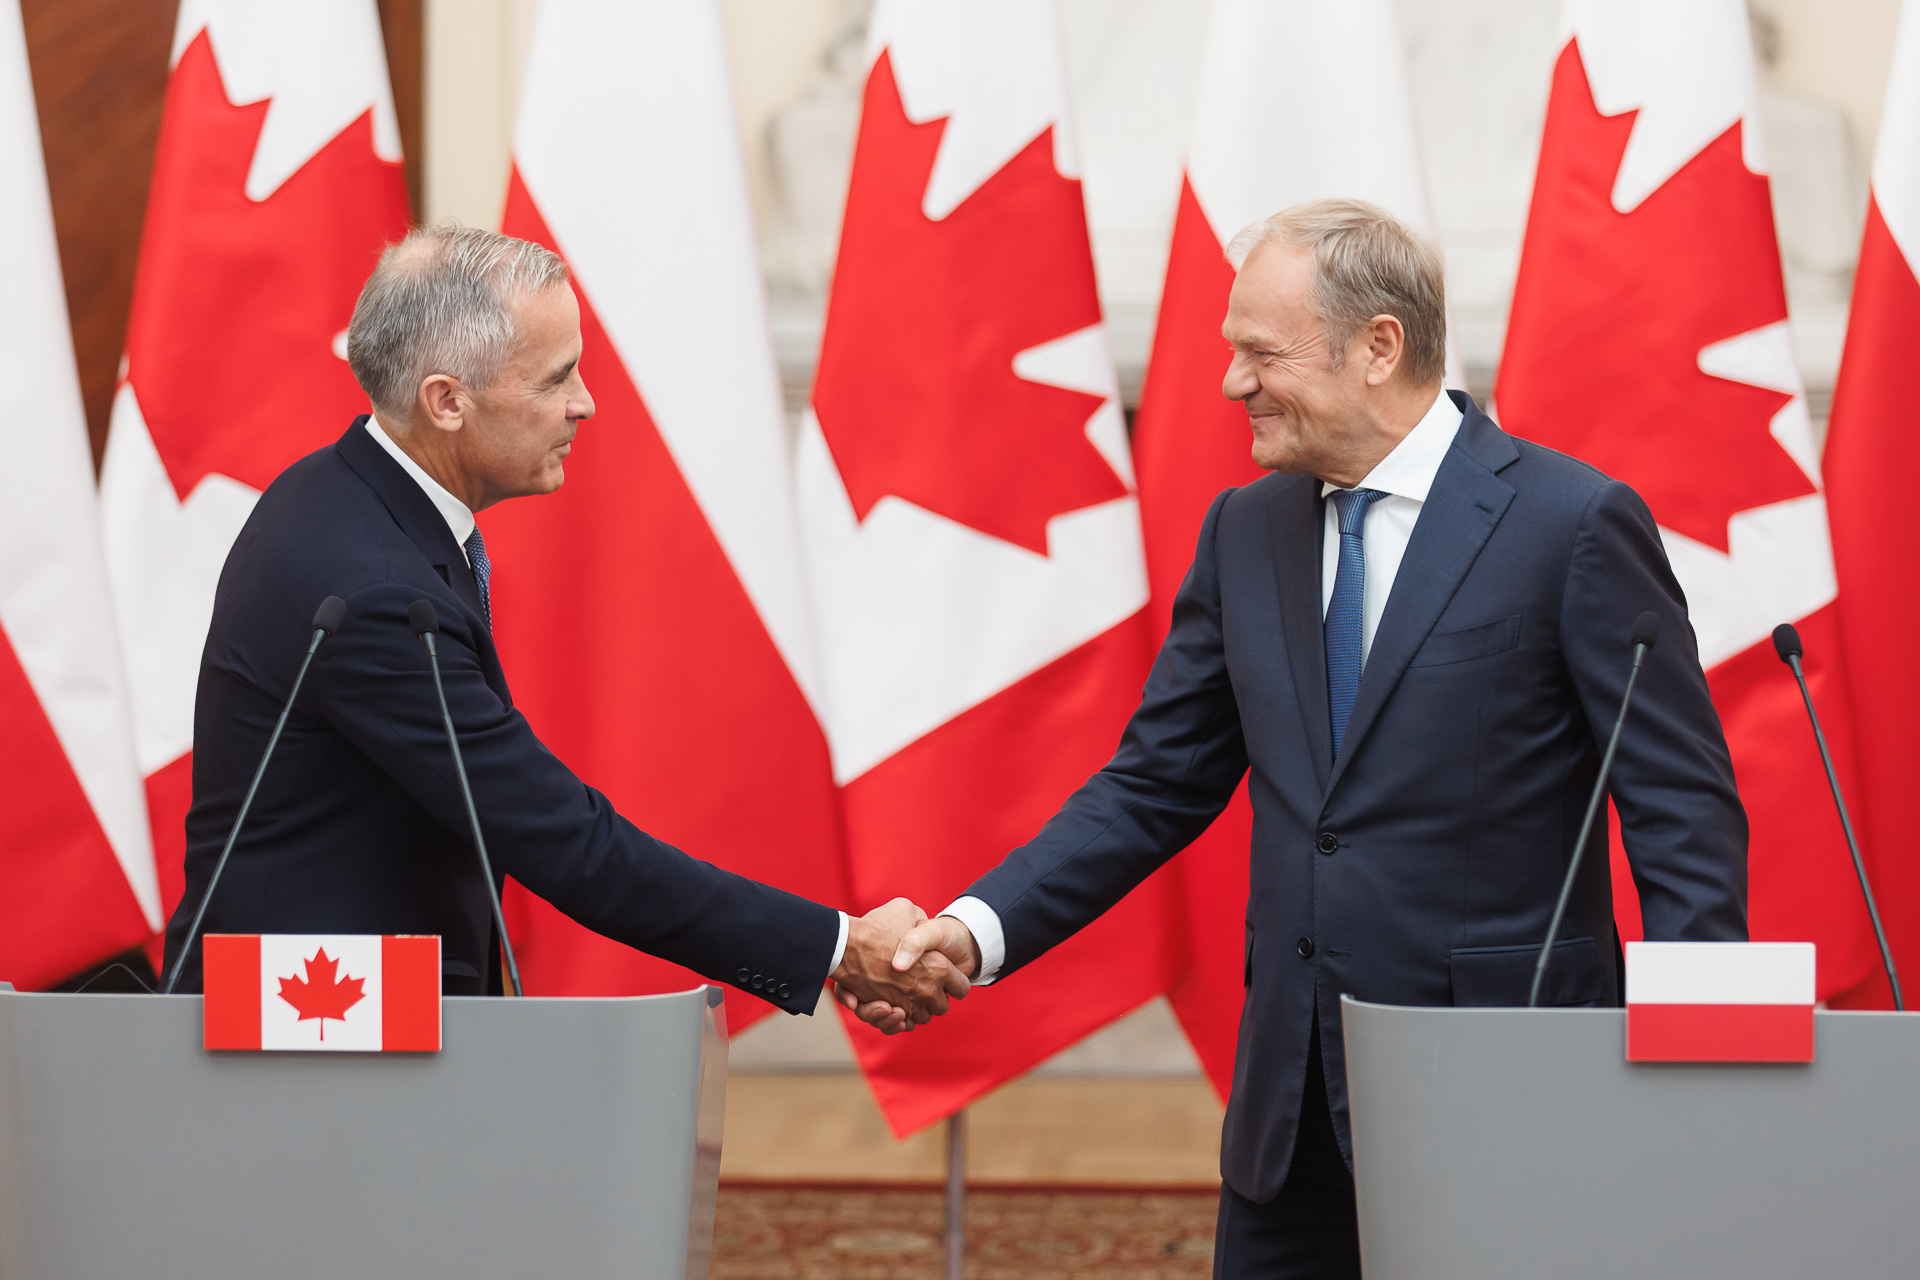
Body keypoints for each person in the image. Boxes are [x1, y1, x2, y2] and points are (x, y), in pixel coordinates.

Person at [857, 199, 1749, 1278]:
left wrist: (1703, 1079)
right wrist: (973, 927)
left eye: (1259, 353)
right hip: (1290, 1109)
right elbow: (1152, 786)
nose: (1234, 383)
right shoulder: (1246, 530)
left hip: (1507, 1088)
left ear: (1380, 346)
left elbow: (1680, 808)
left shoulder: (1572, 523)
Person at [162, 223, 962, 1027]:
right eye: (556, 379)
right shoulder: (369, 588)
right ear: (447, 402)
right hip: (302, 1054)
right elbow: (567, 842)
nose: (585, 403)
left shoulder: (340, 496)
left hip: (351, 1030)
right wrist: (836, 946)